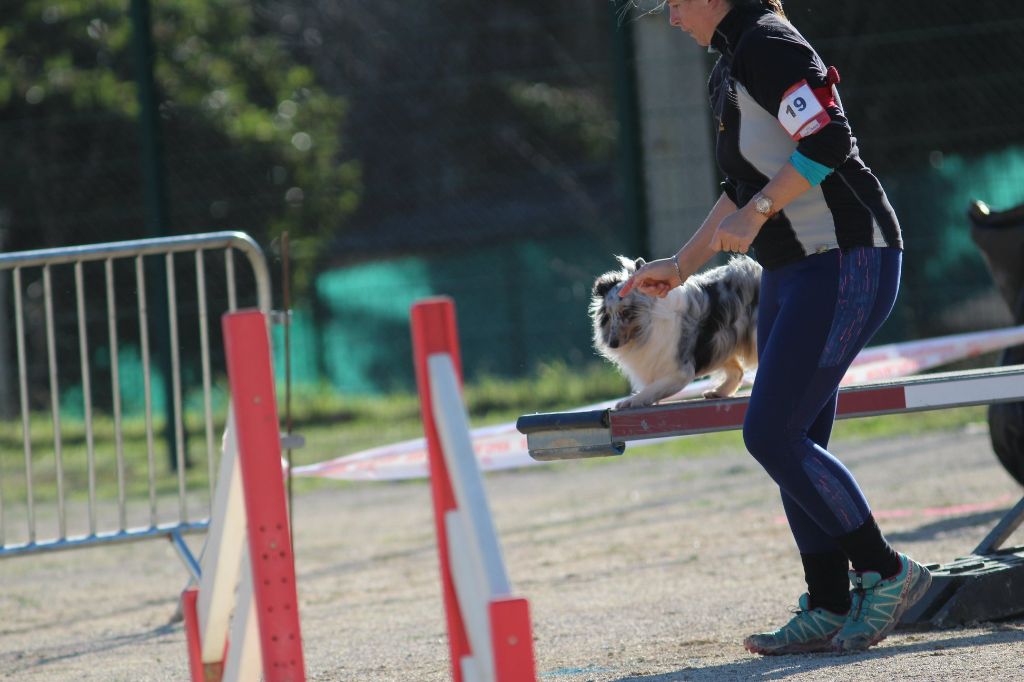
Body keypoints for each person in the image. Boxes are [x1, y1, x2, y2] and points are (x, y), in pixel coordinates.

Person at [618, 0, 932, 655]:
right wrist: (680, 265)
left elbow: (827, 141)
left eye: (674, 4)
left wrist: (761, 211)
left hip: (849, 258)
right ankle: (827, 604)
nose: (672, 19)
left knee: (772, 432)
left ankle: (889, 573)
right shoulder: (733, 60)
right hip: (792, 271)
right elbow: (742, 184)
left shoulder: (766, 42)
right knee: (797, 436)